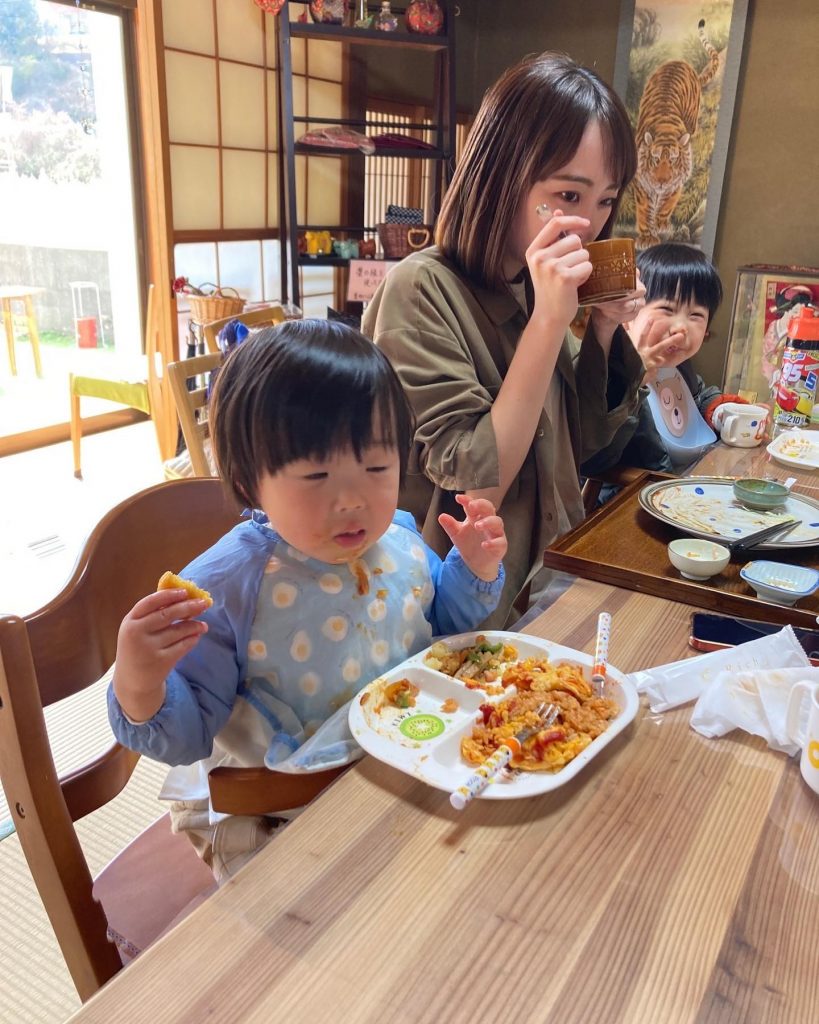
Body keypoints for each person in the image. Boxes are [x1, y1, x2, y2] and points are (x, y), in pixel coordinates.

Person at [108, 320, 508, 880]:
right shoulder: (229, 585)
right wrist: (140, 683)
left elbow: (439, 626)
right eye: (316, 474)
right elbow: (189, 733)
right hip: (279, 813)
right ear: (250, 482)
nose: (352, 500)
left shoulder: (396, 536)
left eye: (376, 467)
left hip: (399, 773)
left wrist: (474, 569)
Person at [363, 52, 652, 628]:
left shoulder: (528, 282)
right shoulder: (420, 287)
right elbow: (477, 484)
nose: (589, 225)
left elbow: (587, 444)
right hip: (455, 611)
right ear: (500, 175)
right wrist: (548, 323)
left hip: (550, 579)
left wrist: (602, 326)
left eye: (605, 200)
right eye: (568, 196)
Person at [581, 242, 745, 482]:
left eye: (696, 315)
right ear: (628, 315)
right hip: (623, 501)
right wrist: (635, 383)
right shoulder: (610, 370)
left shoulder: (678, 367)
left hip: (683, 489)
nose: (681, 328)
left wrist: (721, 409)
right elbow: (596, 459)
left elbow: (696, 397)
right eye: (667, 309)